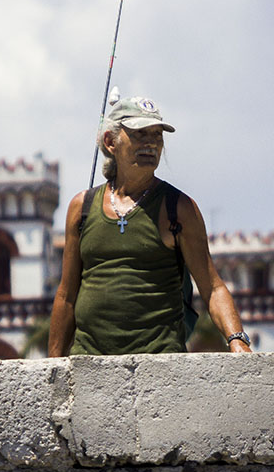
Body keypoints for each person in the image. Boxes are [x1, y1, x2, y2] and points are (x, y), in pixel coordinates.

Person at [48, 95, 252, 356]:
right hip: (89, 364)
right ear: (111, 142)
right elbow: (66, 295)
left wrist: (237, 340)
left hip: (160, 367)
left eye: (157, 135)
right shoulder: (82, 207)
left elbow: (212, 287)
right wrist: (52, 365)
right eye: (140, 134)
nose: (151, 144)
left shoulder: (178, 208)